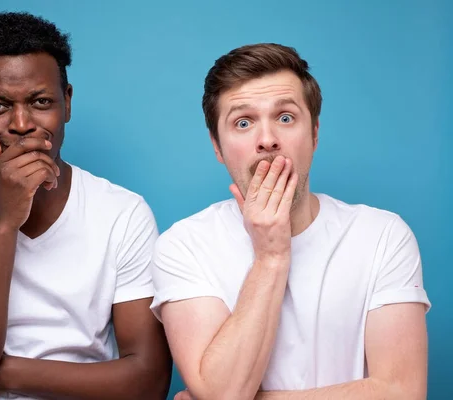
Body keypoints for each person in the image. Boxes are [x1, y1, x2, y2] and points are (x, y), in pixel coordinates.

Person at [0, 11, 171, 400]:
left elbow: (148, 383)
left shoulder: (122, 213)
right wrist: (6, 222)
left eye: (41, 101)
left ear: (68, 102)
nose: (22, 124)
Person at [151, 43, 430, 400]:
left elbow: (403, 392)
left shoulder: (383, 236)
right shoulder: (183, 246)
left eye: (285, 117)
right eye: (243, 122)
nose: (267, 140)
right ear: (217, 147)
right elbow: (223, 393)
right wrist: (271, 256)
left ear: (314, 133)